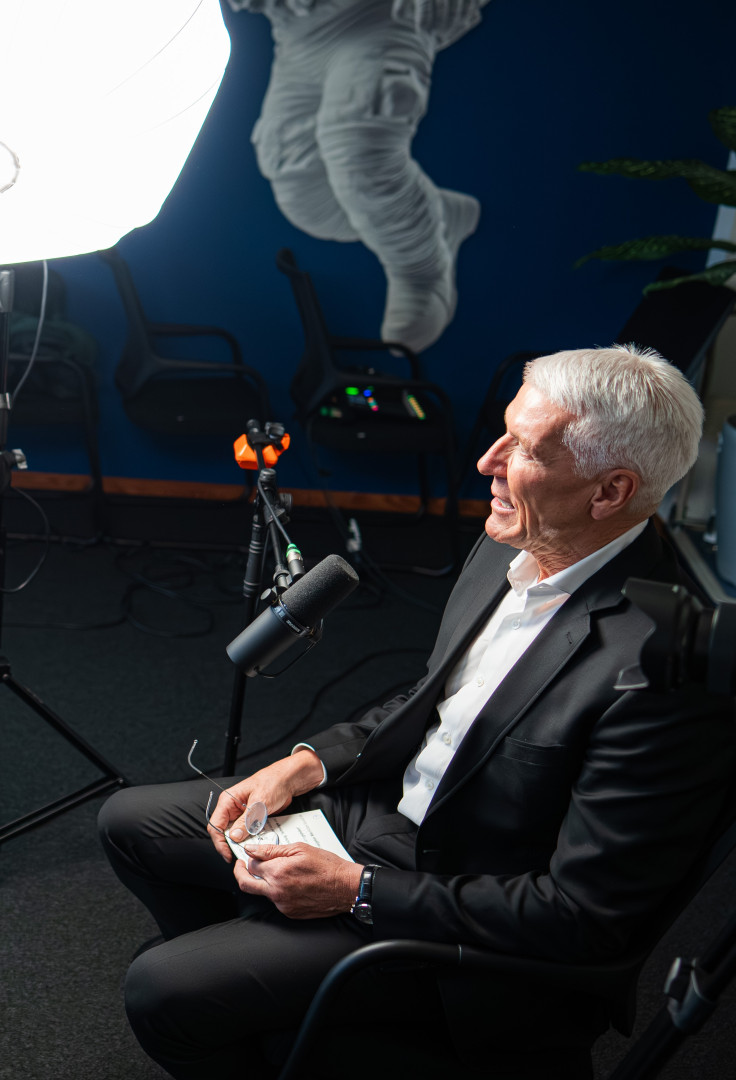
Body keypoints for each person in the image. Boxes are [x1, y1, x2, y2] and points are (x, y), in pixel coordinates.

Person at [99, 345, 734, 1077]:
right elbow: (437, 697)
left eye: (522, 449)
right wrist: (303, 764)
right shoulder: (515, 544)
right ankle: (276, 1003)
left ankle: (276, 1007)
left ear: (608, 491)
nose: (486, 462)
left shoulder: (661, 674)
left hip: (459, 905)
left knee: (160, 988)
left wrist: (357, 892)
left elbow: (582, 918)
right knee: (131, 825)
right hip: (385, 816)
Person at [234, 0, 489, 352]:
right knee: (301, 188)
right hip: (300, 30)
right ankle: (432, 216)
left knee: (358, 147)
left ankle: (420, 269)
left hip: (380, 15)